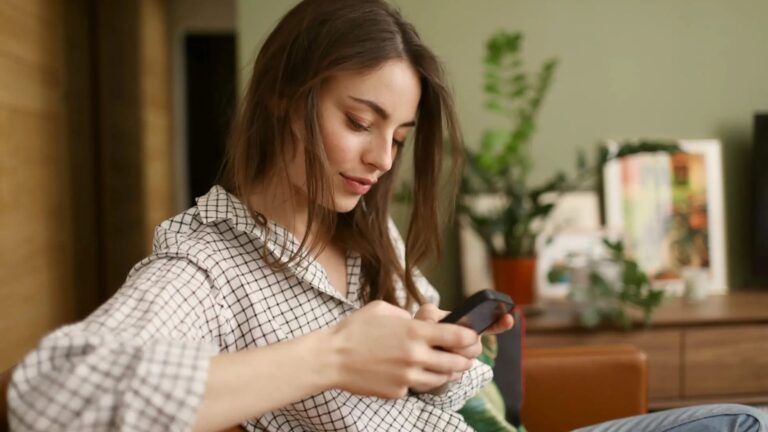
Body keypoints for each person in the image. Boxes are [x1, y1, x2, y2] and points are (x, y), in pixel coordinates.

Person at [6, 1, 768, 432]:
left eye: (397, 138)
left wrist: (443, 354)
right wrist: (335, 356)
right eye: (359, 120)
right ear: (284, 93)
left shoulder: (370, 231)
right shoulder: (203, 266)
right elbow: (47, 400)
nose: (379, 161)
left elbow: (446, 395)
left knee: (741, 424)